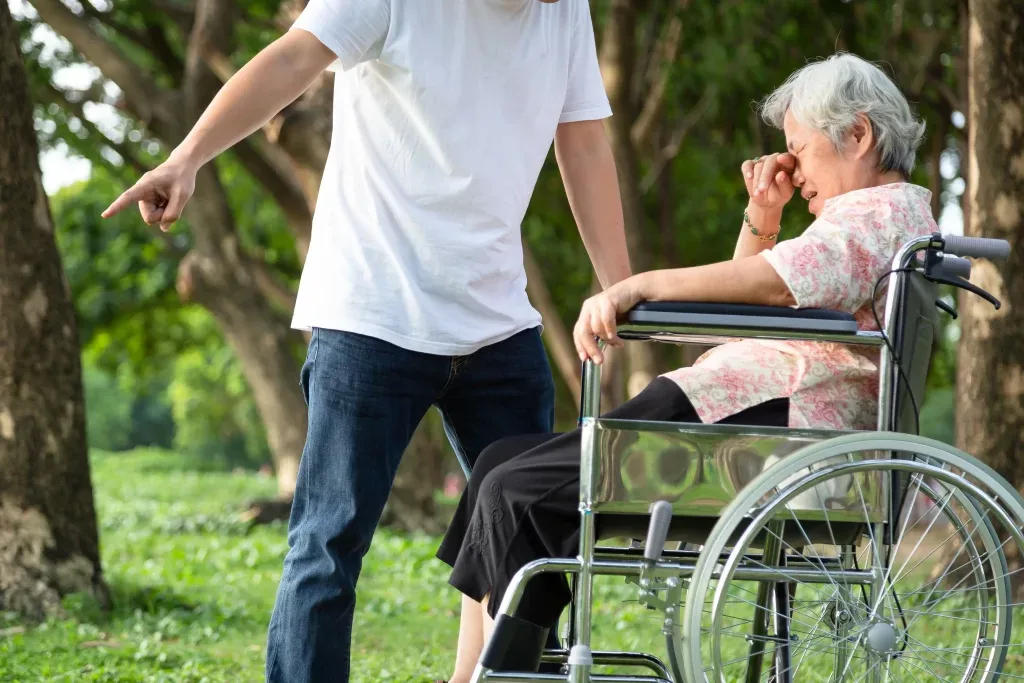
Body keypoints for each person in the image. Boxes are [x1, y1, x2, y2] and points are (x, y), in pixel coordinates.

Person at [100, 1, 632, 682]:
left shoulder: (564, 12)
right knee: (328, 547)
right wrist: (187, 157)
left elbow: (583, 141)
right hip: (372, 313)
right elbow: (293, 57)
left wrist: (620, 286)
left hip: (499, 323)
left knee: (529, 553)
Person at [434, 52, 935, 681]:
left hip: (768, 425)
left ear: (857, 135)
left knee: (518, 490)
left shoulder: (875, 217)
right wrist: (765, 215)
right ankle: (472, 673)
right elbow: (761, 288)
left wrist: (637, 288)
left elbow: (774, 287)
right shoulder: (879, 220)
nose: (794, 167)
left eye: (801, 150)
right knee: (497, 465)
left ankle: (496, 675)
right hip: (748, 408)